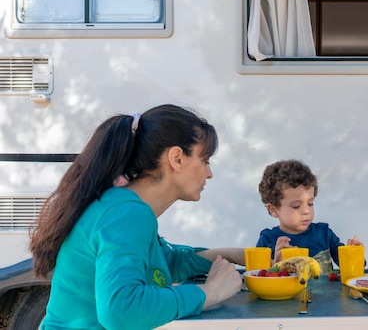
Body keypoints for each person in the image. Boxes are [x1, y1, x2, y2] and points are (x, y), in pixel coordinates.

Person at [29, 104, 244, 330]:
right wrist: (209, 292)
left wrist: (233, 255)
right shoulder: (126, 214)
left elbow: (166, 261)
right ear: (177, 158)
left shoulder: (121, 206)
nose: (210, 173)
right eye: (205, 160)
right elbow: (121, 310)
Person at [255, 159, 362, 274]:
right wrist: (275, 264)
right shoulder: (268, 239)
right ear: (274, 210)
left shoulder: (324, 233)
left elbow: (349, 267)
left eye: (310, 203)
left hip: (327, 292)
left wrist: (354, 252)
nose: (306, 211)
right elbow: (257, 277)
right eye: (296, 206)